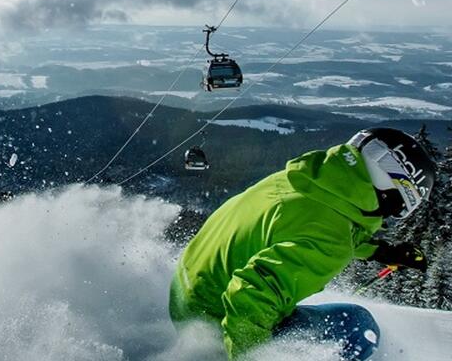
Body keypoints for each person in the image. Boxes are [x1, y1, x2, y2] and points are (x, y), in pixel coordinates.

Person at [169, 128, 438, 360]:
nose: (399, 212)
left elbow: (308, 226)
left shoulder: (305, 181)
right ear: (394, 185)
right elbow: (249, 300)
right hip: (218, 323)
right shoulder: (331, 238)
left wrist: (379, 251)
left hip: (187, 294)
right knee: (358, 327)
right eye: (408, 203)